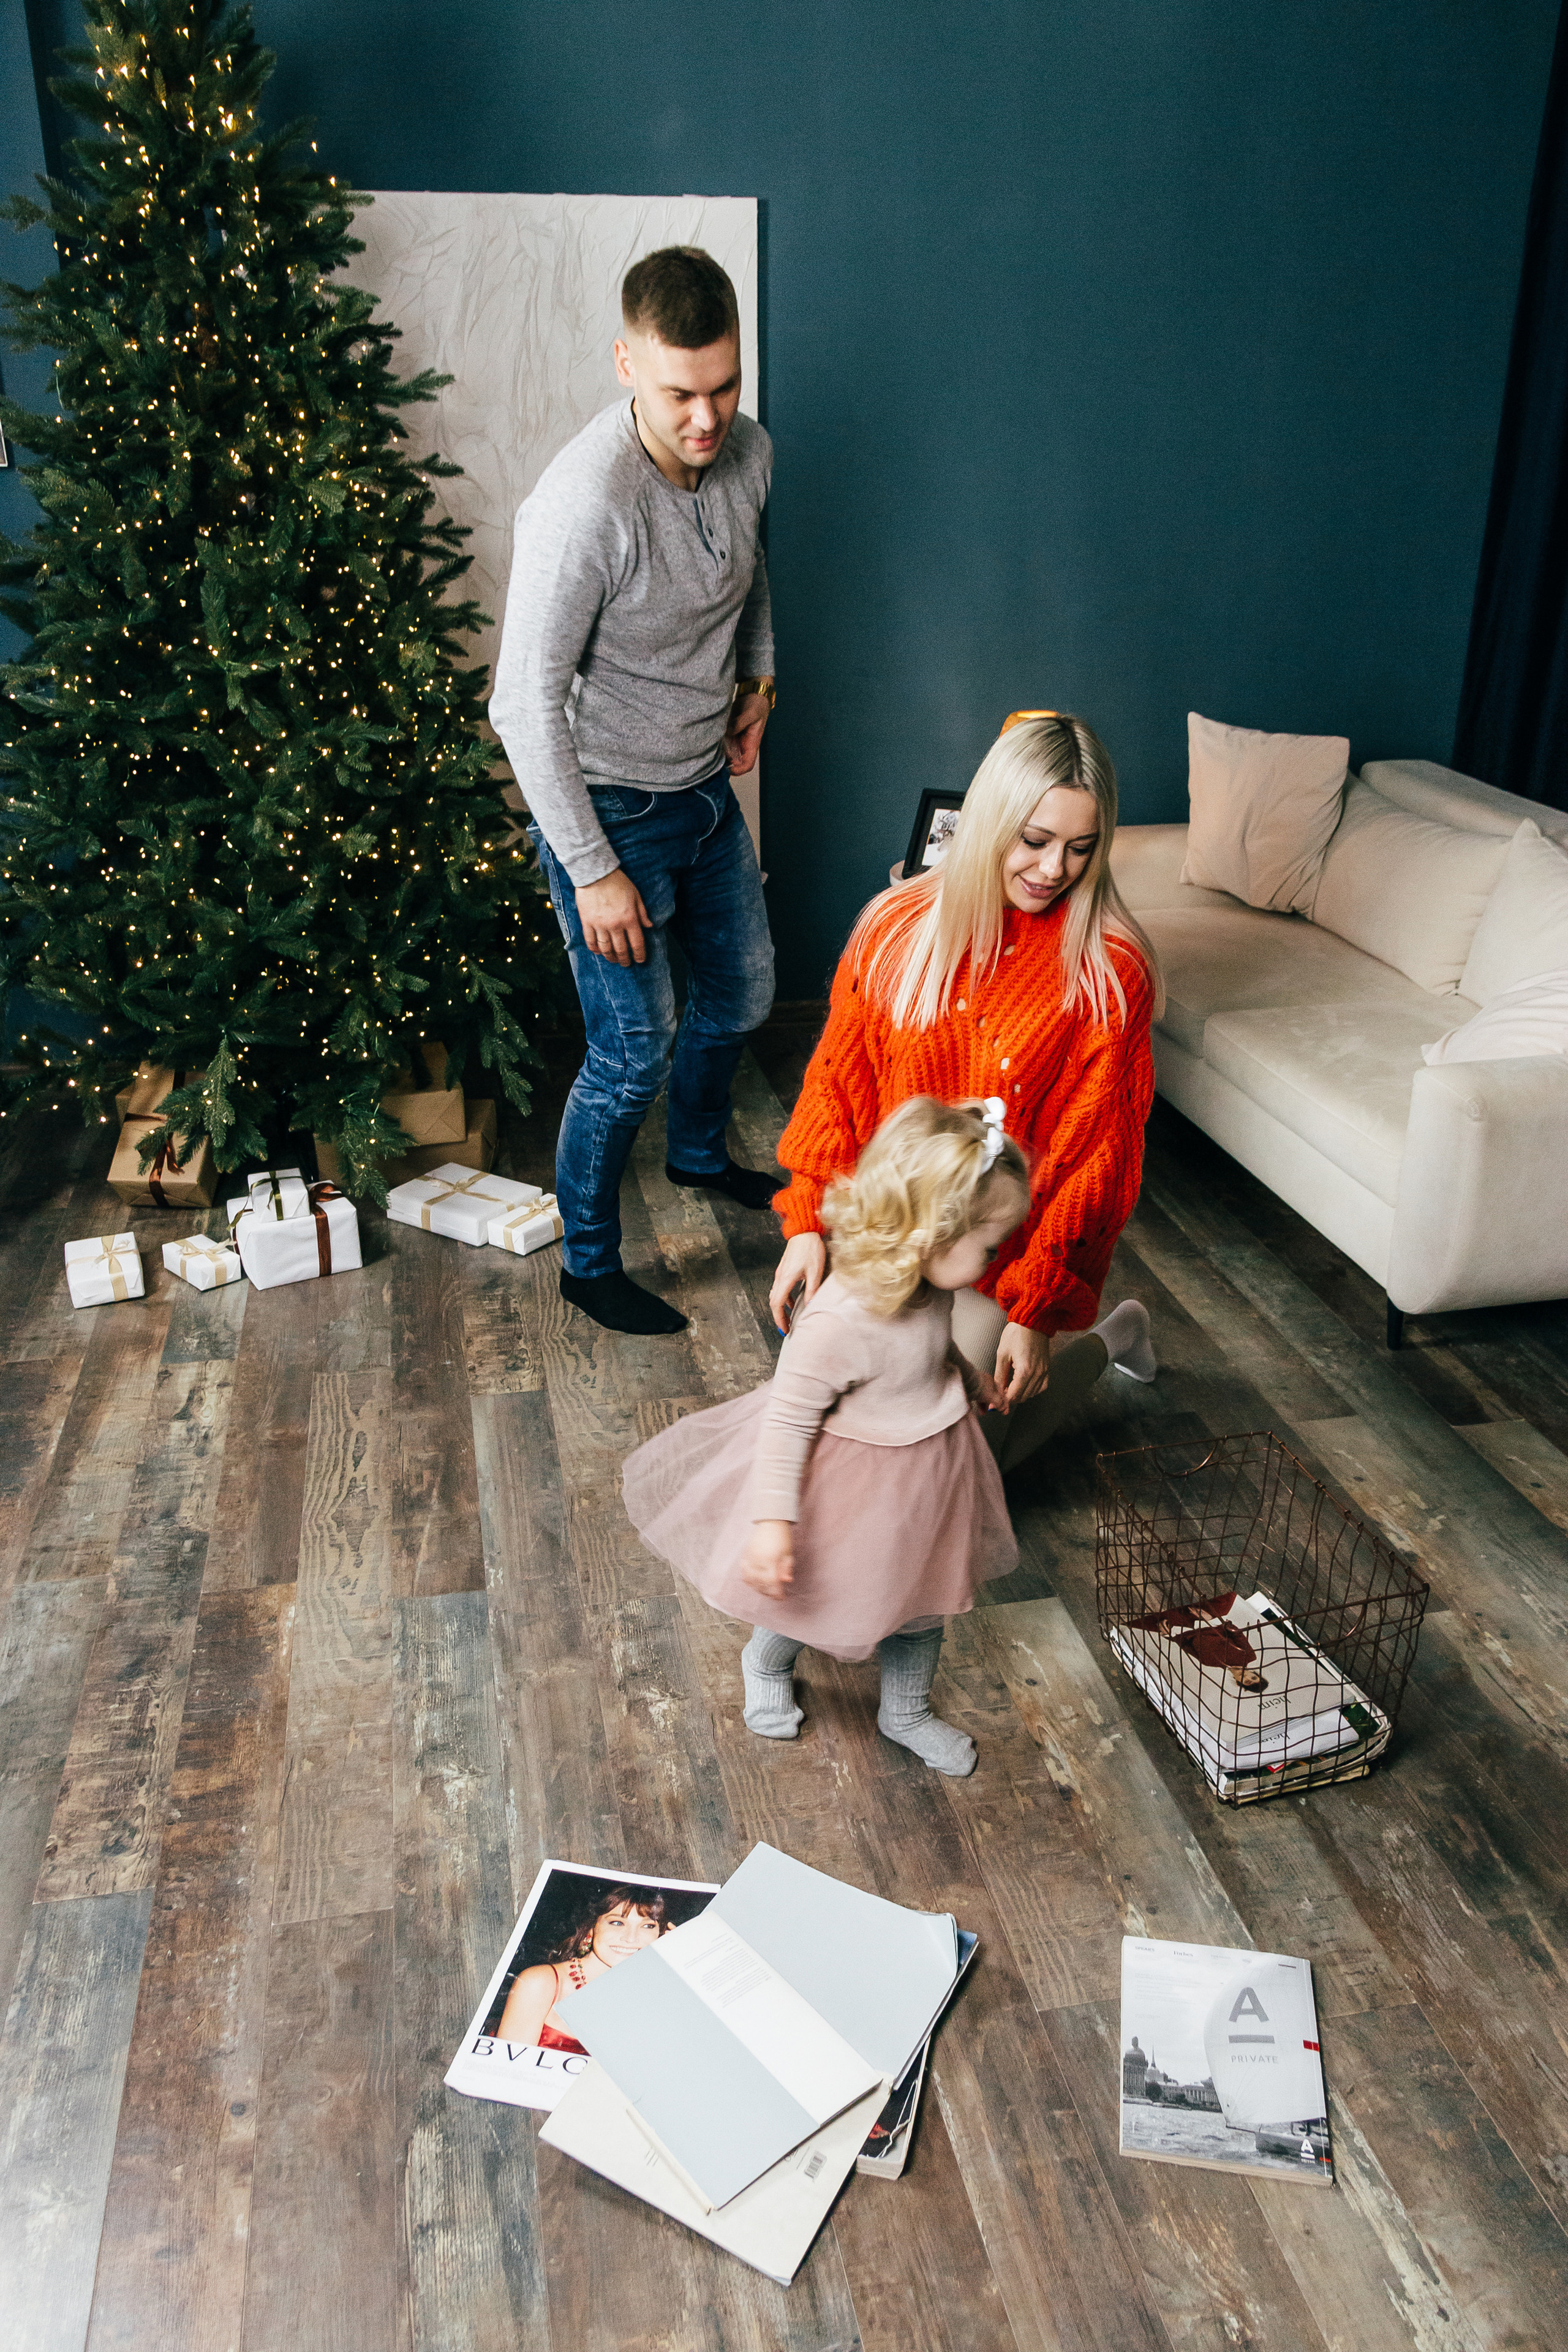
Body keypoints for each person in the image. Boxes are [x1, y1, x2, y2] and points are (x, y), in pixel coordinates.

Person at [489, 246, 779, 1338]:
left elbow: (755, 571)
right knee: (632, 1051)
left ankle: (701, 1158)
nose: (707, 420)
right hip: (608, 810)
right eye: (679, 395)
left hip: (705, 789)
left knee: (746, 994)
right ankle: (591, 1264)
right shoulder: (581, 508)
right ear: (626, 363)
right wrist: (595, 871)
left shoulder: (751, 453)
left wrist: (760, 678)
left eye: (724, 386)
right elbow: (521, 707)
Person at [768, 710, 1162, 1472]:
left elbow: (1097, 1163)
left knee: (958, 1465)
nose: (1054, 870)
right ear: (987, 821)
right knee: (829, 1442)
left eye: (1081, 849)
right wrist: (806, 1221)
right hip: (886, 1237)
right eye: (1035, 841)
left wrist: (1038, 1312)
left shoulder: (1110, 973)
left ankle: (1112, 1336)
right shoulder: (894, 925)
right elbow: (836, 1085)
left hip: (994, 1261)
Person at [623, 1098, 1031, 1777]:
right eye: (990, 1244)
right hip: (849, 1482)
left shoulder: (932, 1286)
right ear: (931, 1234)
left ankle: (905, 1712)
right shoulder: (839, 1320)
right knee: (819, 1592)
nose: (997, 1257)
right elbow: (787, 1422)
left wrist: (968, 1377)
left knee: (921, 1601)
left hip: (929, 1470)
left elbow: (934, 1350)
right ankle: (765, 1658)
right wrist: (773, 1525)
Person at [494, 1885, 674, 2052]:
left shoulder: (650, 1995)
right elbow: (506, 2078)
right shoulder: (540, 1982)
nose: (631, 1938)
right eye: (617, 1923)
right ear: (592, 1928)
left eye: (648, 1926)